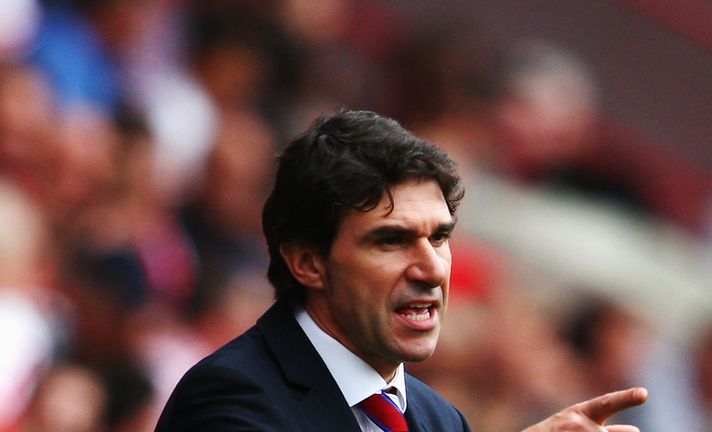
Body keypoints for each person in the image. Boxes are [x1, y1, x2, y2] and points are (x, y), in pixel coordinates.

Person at [155, 109, 647, 431]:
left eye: (439, 237)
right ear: (307, 262)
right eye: (391, 240)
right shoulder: (232, 396)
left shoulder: (441, 421)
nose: (432, 268)